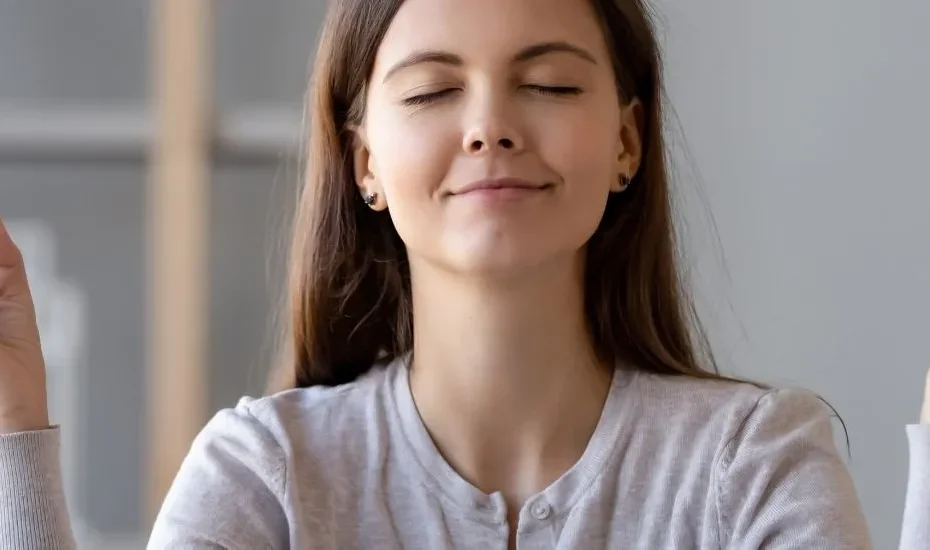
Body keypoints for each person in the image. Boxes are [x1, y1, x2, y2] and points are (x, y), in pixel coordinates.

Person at [0, 0, 927, 548]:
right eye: (434, 90)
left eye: (553, 84)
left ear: (626, 143)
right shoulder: (269, 477)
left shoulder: (753, 464)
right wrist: (13, 444)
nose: (490, 126)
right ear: (363, 162)